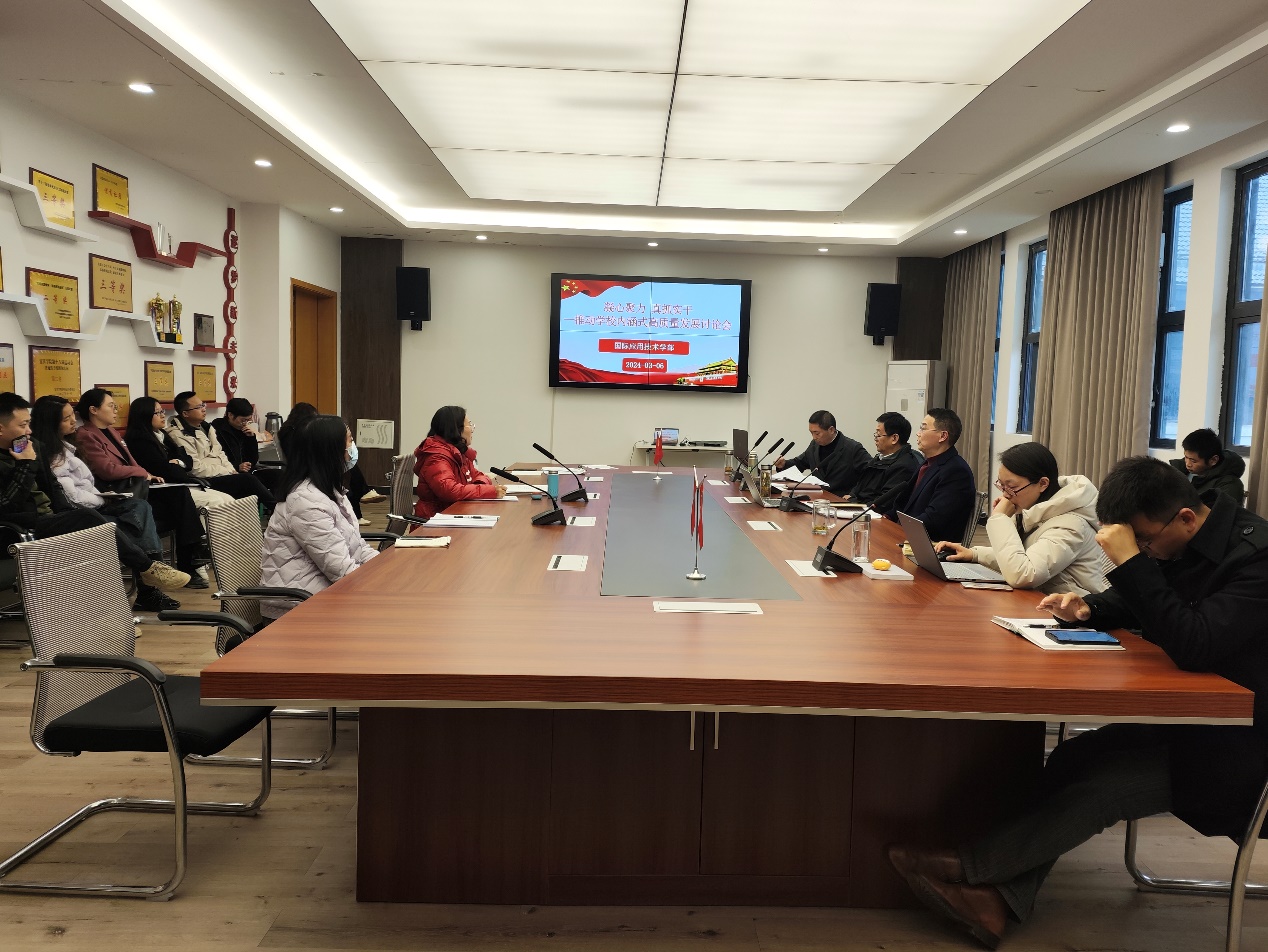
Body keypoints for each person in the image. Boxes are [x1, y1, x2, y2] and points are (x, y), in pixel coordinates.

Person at [887, 457, 1268, 949]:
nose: (1146, 553)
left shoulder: (1256, 559)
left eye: (1145, 543)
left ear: (1187, 518)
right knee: (1075, 756)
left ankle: (970, 868)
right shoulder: (1182, 538)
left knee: (1103, 788)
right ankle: (997, 898)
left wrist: (1131, 562)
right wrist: (1089, 606)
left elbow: (1195, 642)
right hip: (1192, 721)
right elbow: (1148, 600)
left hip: (1244, 746)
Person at [0, 392, 189, 600]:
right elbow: (7, 505)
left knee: (136, 507)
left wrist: (66, 513)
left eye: (29, 424)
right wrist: (25, 465)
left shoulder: (32, 445)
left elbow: (52, 486)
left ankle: (148, 583)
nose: (28, 431)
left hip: (51, 515)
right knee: (90, 519)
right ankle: (148, 569)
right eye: (22, 425)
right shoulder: (28, 454)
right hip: (19, 525)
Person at [933, 442, 1109, 595]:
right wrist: (975, 554)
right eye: (1001, 485)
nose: (1005, 494)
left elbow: (1023, 574)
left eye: (1011, 487)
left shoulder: (1071, 525)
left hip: (1069, 614)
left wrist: (999, 518)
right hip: (1037, 603)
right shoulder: (1036, 508)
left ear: (1042, 484)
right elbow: (1023, 555)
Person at [73, 388, 208, 585]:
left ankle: (192, 558)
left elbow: (132, 462)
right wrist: (143, 473)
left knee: (179, 495)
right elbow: (107, 470)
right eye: (111, 406)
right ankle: (177, 565)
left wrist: (147, 475)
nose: (116, 410)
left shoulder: (111, 432)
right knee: (175, 503)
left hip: (136, 487)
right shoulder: (86, 435)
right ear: (93, 410)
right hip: (117, 493)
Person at [259, 414, 378, 619]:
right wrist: (382, 584)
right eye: (350, 441)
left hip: (323, 596)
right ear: (331, 451)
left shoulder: (329, 491)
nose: (353, 447)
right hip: (296, 610)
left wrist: (389, 568)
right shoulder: (306, 502)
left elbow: (358, 548)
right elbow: (342, 571)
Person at [878, 408, 976, 543]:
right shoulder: (927, 463)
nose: (918, 433)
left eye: (923, 429)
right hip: (908, 536)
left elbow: (933, 519)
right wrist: (886, 518)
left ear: (943, 436)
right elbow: (903, 504)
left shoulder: (956, 471)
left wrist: (897, 529)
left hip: (930, 545)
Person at [123, 396, 235, 512]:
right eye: (157, 413)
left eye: (162, 411)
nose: (163, 415)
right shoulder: (139, 441)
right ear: (144, 415)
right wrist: (178, 464)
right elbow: (167, 471)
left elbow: (188, 460)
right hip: (164, 490)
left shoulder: (162, 435)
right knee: (215, 501)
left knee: (228, 500)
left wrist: (177, 462)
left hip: (180, 485)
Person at [167, 391, 275, 507]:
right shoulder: (178, 434)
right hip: (204, 479)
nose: (204, 409)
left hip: (224, 473)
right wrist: (228, 471)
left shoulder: (207, 428)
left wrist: (231, 470)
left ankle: (282, 508)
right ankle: (277, 510)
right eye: (198, 407)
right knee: (248, 480)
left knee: (276, 475)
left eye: (203, 405)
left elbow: (220, 454)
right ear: (185, 413)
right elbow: (195, 467)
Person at [413, 406, 505, 519]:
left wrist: (478, 486)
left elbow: (478, 475)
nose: (472, 430)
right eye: (469, 425)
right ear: (456, 429)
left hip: (453, 514)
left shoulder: (458, 452)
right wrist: (488, 491)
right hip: (435, 521)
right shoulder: (436, 457)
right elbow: (449, 491)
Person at [774, 410, 870, 496]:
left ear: (831, 430)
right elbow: (800, 463)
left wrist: (854, 493)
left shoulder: (853, 448)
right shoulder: (814, 445)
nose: (814, 437)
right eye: (811, 433)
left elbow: (871, 474)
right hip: (817, 498)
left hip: (841, 500)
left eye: (817, 433)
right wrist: (783, 464)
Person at [845, 412, 922, 505]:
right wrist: (852, 495)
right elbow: (860, 485)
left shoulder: (904, 467)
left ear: (894, 438)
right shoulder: (878, 459)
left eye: (879, 435)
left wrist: (854, 503)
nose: (875, 439)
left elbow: (883, 503)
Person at [211, 397, 280, 492]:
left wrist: (251, 438)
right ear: (230, 415)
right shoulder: (216, 430)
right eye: (243, 420)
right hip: (229, 474)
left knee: (279, 475)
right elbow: (215, 459)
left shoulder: (244, 431)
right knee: (252, 481)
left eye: (248, 420)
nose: (245, 423)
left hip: (247, 473)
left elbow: (253, 460)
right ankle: (273, 501)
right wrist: (237, 466)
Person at [1171, 427, 1245, 505]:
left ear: (1213, 460)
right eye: (1186, 457)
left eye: (1193, 461)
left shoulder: (1229, 485)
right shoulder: (1179, 471)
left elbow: (1222, 511)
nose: (1188, 464)